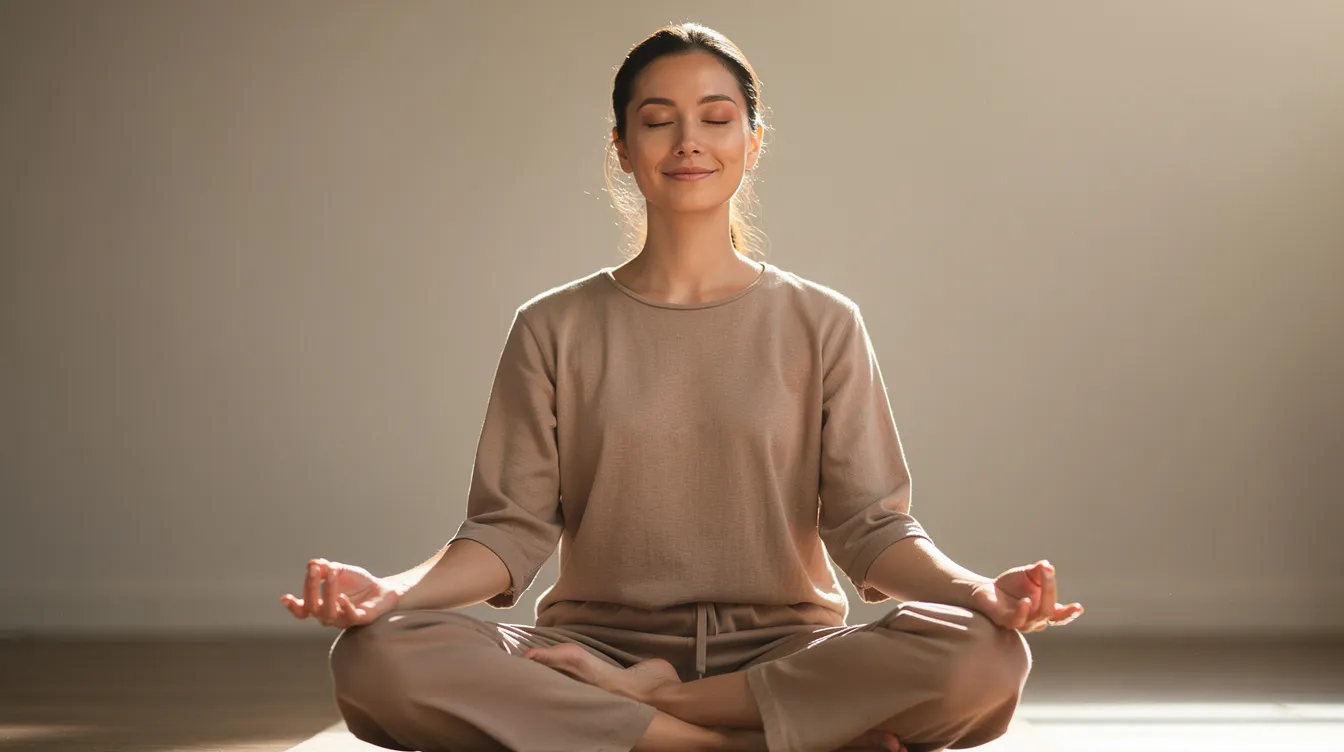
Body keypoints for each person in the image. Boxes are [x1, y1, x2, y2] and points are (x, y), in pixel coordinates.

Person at [280, 22, 1083, 752]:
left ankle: (660, 717)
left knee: (983, 655)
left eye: (716, 117)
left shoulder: (823, 322)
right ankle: (726, 744)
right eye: (658, 120)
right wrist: (386, 593)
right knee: (378, 661)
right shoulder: (552, 326)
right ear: (624, 148)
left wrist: (983, 591)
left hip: (783, 653)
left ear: (754, 142)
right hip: (587, 652)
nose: (688, 141)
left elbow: (872, 529)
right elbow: (505, 534)